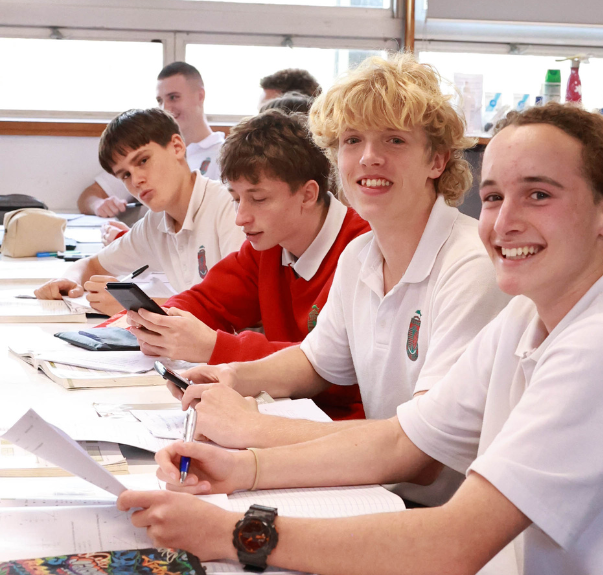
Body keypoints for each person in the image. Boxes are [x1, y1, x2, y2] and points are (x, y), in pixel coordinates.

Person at [119, 104, 603, 575]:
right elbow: (403, 441)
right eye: (493, 197)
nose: (504, 221)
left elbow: (450, 547)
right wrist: (243, 469)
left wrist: (237, 534)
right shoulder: (530, 312)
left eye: (539, 195)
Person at [165, 54, 509, 507]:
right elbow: (315, 363)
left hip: (442, 513)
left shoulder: (470, 265)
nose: (369, 157)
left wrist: (253, 431)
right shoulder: (360, 255)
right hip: (376, 489)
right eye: (352, 140)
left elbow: (425, 457)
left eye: (394, 140)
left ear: (438, 161)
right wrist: (231, 376)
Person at [126, 109, 370, 420]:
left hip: (344, 428)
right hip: (284, 412)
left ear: (308, 194)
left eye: (258, 199)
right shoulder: (268, 244)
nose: (241, 217)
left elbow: (333, 372)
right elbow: (206, 300)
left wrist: (214, 347)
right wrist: (163, 324)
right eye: (235, 199)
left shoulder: (362, 248)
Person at [34, 108, 244, 316]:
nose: (136, 181)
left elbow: (232, 308)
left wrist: (137, 305)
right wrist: (69, 281)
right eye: (125, 175)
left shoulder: (229, 207)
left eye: (143, 161)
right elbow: (91, 265)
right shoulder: (154, 223)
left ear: (177, 147)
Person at [81, 62, 225, 243]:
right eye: (160, 101)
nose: (166, 107)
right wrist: (100, 206)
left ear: (200, 96)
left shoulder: (225, 156)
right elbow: (89, 195)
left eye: (173, 97)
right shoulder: (145, 148)